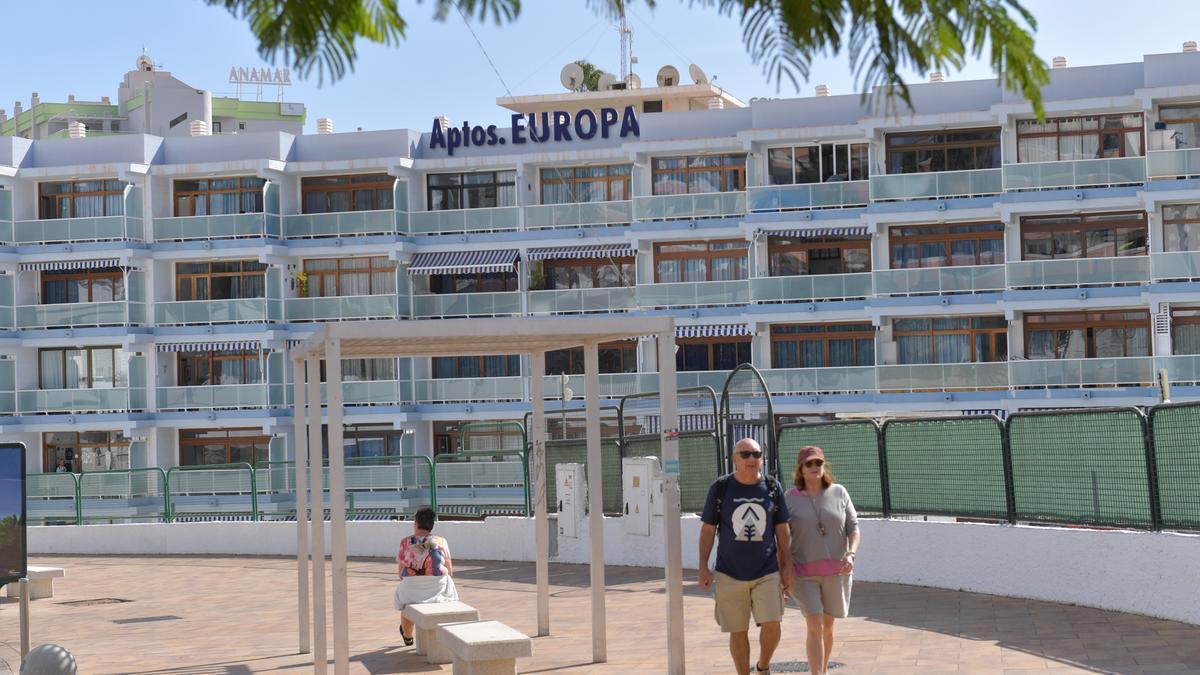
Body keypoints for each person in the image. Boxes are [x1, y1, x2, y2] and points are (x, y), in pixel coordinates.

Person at [698, 438, 791, 675]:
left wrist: (786, 566)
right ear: (734, 458)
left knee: (773, 624)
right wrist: (703, 567)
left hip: (767, 571)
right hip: (729, 572)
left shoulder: (772, 487)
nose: (752, 459)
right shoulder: (720, 488)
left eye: (756, 454)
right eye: (746, 454)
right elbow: (708, 529)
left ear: (763, 458)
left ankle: (763, 666)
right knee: (738, 630)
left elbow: (782, 529)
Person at [785, 446, 860, 675]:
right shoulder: (789, 498)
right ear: (801, 468)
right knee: (814, 624)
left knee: (827, 626)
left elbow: (853, 529)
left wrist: (851, 553)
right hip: (803, 574)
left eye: (818, 463)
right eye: (809, 464)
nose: (814, 467)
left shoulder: (839, 492)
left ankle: (823, 669)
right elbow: (781, 535)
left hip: (836, 572)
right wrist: (783, 570)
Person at [394, 506, 457, 647]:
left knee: (406, 604)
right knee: (447, 581)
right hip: (437, 587)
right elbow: (449, 569)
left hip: (411, 587)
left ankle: (408, 635)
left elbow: (401, 571)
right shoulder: (441, 541)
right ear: (431, 525)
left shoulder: (405, 542)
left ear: (416, 523)